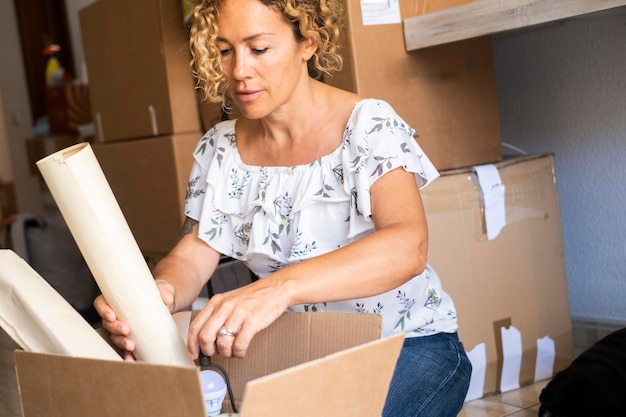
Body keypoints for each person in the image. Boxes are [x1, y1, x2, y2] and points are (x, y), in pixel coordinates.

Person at [95, 0, 472, 415]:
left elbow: (408, 246)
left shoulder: (368, 125)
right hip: (292, 351)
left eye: (258, 49)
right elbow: (193, 253)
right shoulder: (220, 147)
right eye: (224, 50)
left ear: (307, 41)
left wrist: (276, 288)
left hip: (407, 347)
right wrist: (159, 292)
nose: (239, 71)